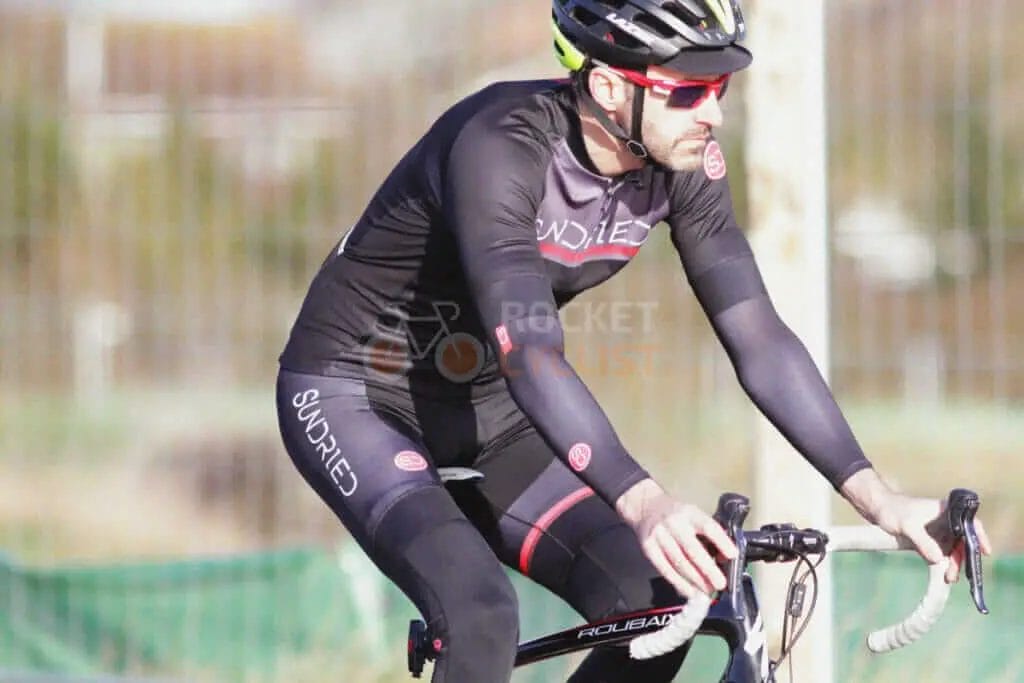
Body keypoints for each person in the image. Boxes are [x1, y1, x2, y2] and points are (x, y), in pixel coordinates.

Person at [276, 1, 992, 680]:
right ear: (612, 88)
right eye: (687, 93)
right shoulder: (499, 147)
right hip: (355, 394)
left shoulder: (682, 167)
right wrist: (644, 500)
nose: (712, 113)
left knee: (663, 603)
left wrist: (879, 497)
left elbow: (761, 339)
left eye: (721, 88)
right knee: (479, 613)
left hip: (491, 412)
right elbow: (529, 349)